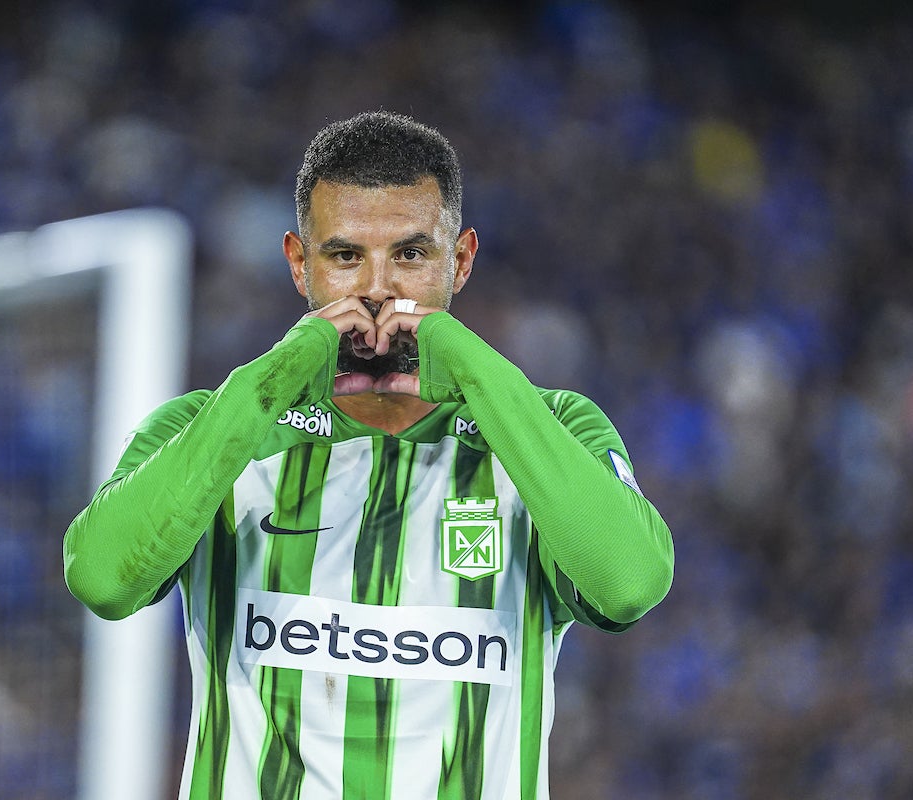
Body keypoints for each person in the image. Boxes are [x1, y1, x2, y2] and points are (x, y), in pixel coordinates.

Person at [63, 111, 674, 799]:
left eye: (411, 254)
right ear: (300, 263)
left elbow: (629, 583)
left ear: (461, 260)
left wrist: (469, 366)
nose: (378, 288)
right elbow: (104, 579)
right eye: (345, 256)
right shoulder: (207, 431)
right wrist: (279, 371)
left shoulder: (551, 429)